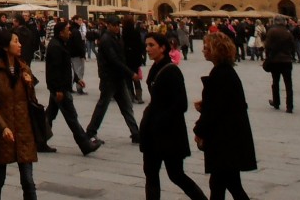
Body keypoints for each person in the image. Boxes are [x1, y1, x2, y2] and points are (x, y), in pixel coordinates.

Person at [138, 33, 207, 200]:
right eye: (146, 45)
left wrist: (160, 119)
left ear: (163, 48)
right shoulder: (155, 68)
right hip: (153, 133)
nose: (148, 49)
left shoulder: (171, 71)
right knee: (151, 174)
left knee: (176, 175)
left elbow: (181, 104)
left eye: (152, 45)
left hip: (169, 133)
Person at [193, 32, 256, 200]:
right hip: (229, 139)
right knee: (222, 184)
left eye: (206, 47)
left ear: (216, 50)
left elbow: (215, 111)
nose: (203, 50)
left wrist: (199, 129)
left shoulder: (220, 74)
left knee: (227, 184)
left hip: (225, 141)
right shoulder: (224, 72)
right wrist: (205, 104)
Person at [0, 30, 38, 200]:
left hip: (24, 129)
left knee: (28, 181)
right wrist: (3, 127)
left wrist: (30, 85)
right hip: (3, 132)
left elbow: (33, 102)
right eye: (16, 41)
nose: (20, 44)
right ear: (5, 46)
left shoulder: (24, 68)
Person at [46, 21, 102, 156]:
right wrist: (57, 89)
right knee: (72, 117)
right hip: (61, 89)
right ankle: (85, 145)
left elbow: (67, 67)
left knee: (49, 115)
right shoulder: (55, 47)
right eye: (67, 30)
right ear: (61, 32)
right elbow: (54, 70)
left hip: (60, 87)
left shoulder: (60, 44)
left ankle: (39, 140)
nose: (70, 32)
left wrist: (76, 78)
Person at [85, 15, 141, 142]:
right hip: (109, 78)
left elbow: (120, 58)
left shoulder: (116, 38)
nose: (117, 27)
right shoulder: (106, 40)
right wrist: (130, 73)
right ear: (108, 25)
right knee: (103, 106)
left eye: (118, 25)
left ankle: (135, 133)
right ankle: (90, 131)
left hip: (118, 78)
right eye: (114, 25)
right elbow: (114, 60)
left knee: (126, 106)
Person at [262, 15, 295, 113]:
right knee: (288, 84)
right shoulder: (288, 32)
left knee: (275, 82)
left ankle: (276, 102)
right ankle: (289, 106)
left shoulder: (272, 31)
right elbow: (293, 46)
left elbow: (267, 45)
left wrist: (268, 56)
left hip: (275, 60)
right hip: (286, 60)